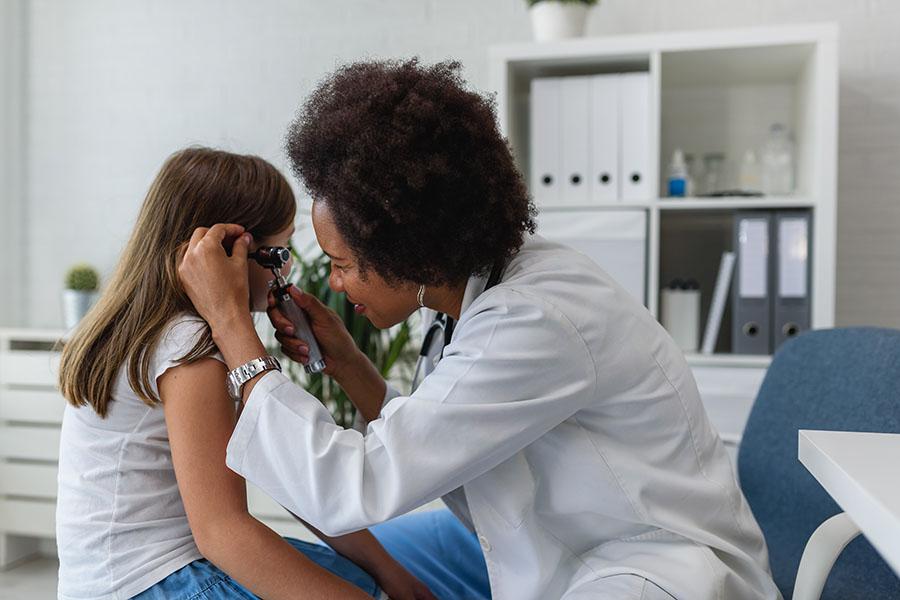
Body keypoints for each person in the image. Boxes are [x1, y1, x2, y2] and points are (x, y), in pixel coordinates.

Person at [178, 60, 782, 599]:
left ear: (406, 251)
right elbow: (449, 440)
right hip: (548, 542)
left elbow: (354, 483)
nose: (334, 285)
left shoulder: (533, 318)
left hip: (650, 569)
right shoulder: (475, 295)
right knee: (369, 568)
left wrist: (234, 327)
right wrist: (352, 366)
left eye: (342, 264)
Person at [56, 147, 435, 600]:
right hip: (153, 580)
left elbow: (290, 474)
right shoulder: (188, 345)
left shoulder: (157, 331)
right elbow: (222, 532)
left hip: (129, 575)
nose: (286, 270)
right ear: (223, 253)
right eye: (278, 253)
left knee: (355, 579)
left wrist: (389, 573)